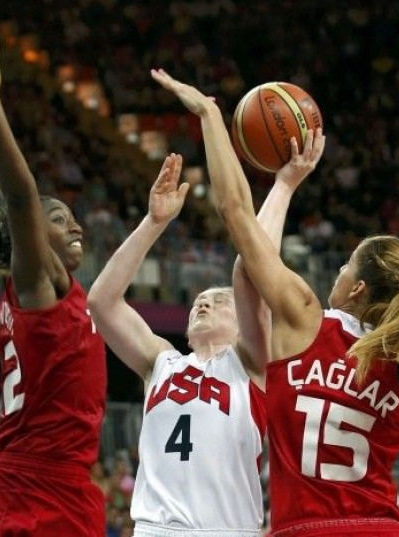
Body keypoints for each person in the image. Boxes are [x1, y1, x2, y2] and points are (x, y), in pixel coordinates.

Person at [152, 68, 399, 537]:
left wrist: (209, 116)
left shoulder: (302, 318)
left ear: (358, 288)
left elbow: (235, 212)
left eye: (345, 268)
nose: (337, 274)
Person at [88, 139, 322, 535]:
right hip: (157, 529)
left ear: (243, 322)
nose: (204, 304)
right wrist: (154, 222)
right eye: (199, 301)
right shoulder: (161, 362)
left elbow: (252, 268)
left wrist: (284, 185)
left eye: (218, 301)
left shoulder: (252, 364)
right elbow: (101, 301)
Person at [0, 27, 106, 536]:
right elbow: (22, 197)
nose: (75, 225)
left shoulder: (61, 293)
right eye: (59, 219)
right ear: (35, 234)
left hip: (34, 474)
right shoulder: (39, 280)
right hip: (40, 481)